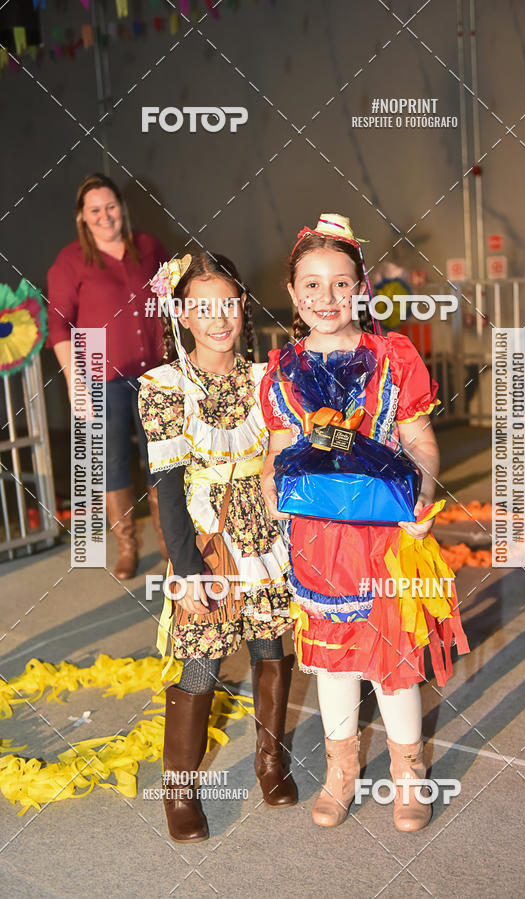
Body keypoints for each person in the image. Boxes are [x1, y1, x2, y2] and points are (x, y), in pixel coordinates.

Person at [260, 214, 470, 833]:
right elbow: (278, 452)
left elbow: (418, 440)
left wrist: (421, 498)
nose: (328, 298)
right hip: (319, 543)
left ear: (362, 288)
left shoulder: (394, 357)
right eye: (313, 285)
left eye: (341, 283)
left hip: (384, 540)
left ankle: (410, 774)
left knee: (393, 660)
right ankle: (341, 771)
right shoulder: (279, 373)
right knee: (331, 662)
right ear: (295, 295)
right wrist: (275, 494)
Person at [138, 252, 297, 843]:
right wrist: (186, 566)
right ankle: (178, 791)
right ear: (181, 314)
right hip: (205, 536)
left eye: (228, 302)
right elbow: (168, 488)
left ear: (243, 306)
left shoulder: (266, 379)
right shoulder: (164, 386)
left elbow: (281, 461)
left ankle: (270, 762)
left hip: (265, 532)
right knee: (202, 661)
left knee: (269, 645)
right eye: (202, 307)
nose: (219, 317)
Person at [47, 172, 168, 579]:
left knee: (161, 459)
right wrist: (73, 381)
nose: (104, 215)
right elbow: (59, 326)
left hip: (155, 375)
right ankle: (128, 547)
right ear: (82, 217)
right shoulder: (69, 261)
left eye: (110, 206)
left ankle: (171, 543)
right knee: (112, 462)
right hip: (99, 376)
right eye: (94, 209)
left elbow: (171, 299)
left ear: (123, 208)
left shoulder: (150, 247)